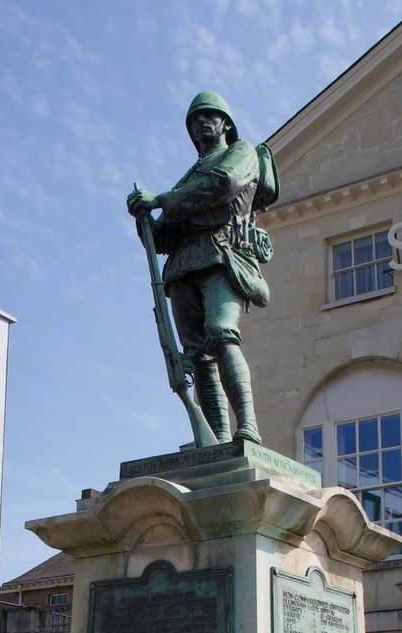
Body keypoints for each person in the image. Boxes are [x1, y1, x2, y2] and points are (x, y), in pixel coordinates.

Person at [127, 92, 270, 444]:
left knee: (222, 333)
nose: (202, 123)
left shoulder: (242, 153)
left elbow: (222, 184)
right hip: (181, 270)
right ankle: (217, 434)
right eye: (195, 120)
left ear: (226, 123)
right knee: (197, 356)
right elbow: (161, 240)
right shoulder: (186, 180)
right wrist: (142, 217)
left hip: (223, 257)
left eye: (209, 116)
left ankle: (247, 426)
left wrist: (160, 200)